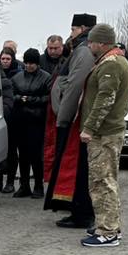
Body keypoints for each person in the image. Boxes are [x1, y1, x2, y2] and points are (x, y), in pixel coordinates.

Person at [78, 25, 128, 247]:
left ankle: (108, 232)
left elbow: (105, 99)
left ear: (101, 43)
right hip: (108, 132)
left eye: (91, 42)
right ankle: (109, 224)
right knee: (106, 180)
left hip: (104, 134)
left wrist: (89, 128)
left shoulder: (111, 65)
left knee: (102, 182)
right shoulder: (113, 61)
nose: (89, 46)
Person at [44, 14, 97, 228]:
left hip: (74, 120)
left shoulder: (83, 51)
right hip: (73, 117)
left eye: (73, 28)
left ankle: (81, 214)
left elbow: (76, 84)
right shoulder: (81, 48)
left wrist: (63, 115)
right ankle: (77, 211)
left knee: (77, 169)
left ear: (83, 28)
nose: (71, 32)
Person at [9, 48, 51, 197]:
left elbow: (49, 98)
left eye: (32, 63)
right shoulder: (17, 78)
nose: (29, 65)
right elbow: (10, 95)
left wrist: (31, 100)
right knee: (23, 155)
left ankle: (39, 186)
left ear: (37, 64)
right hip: (20, 121)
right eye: (27, 63)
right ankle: (24, 185)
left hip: (36, 121)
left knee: (36, 155)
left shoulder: (46, 78)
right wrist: (20, 99)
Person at [0, 49, 20, 192]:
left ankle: (10, 181)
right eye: (3, 59)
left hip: (14, 117)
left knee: (11, 150)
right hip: (0, 115)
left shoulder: (18, 74)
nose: (5, 61)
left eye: (8, 59)